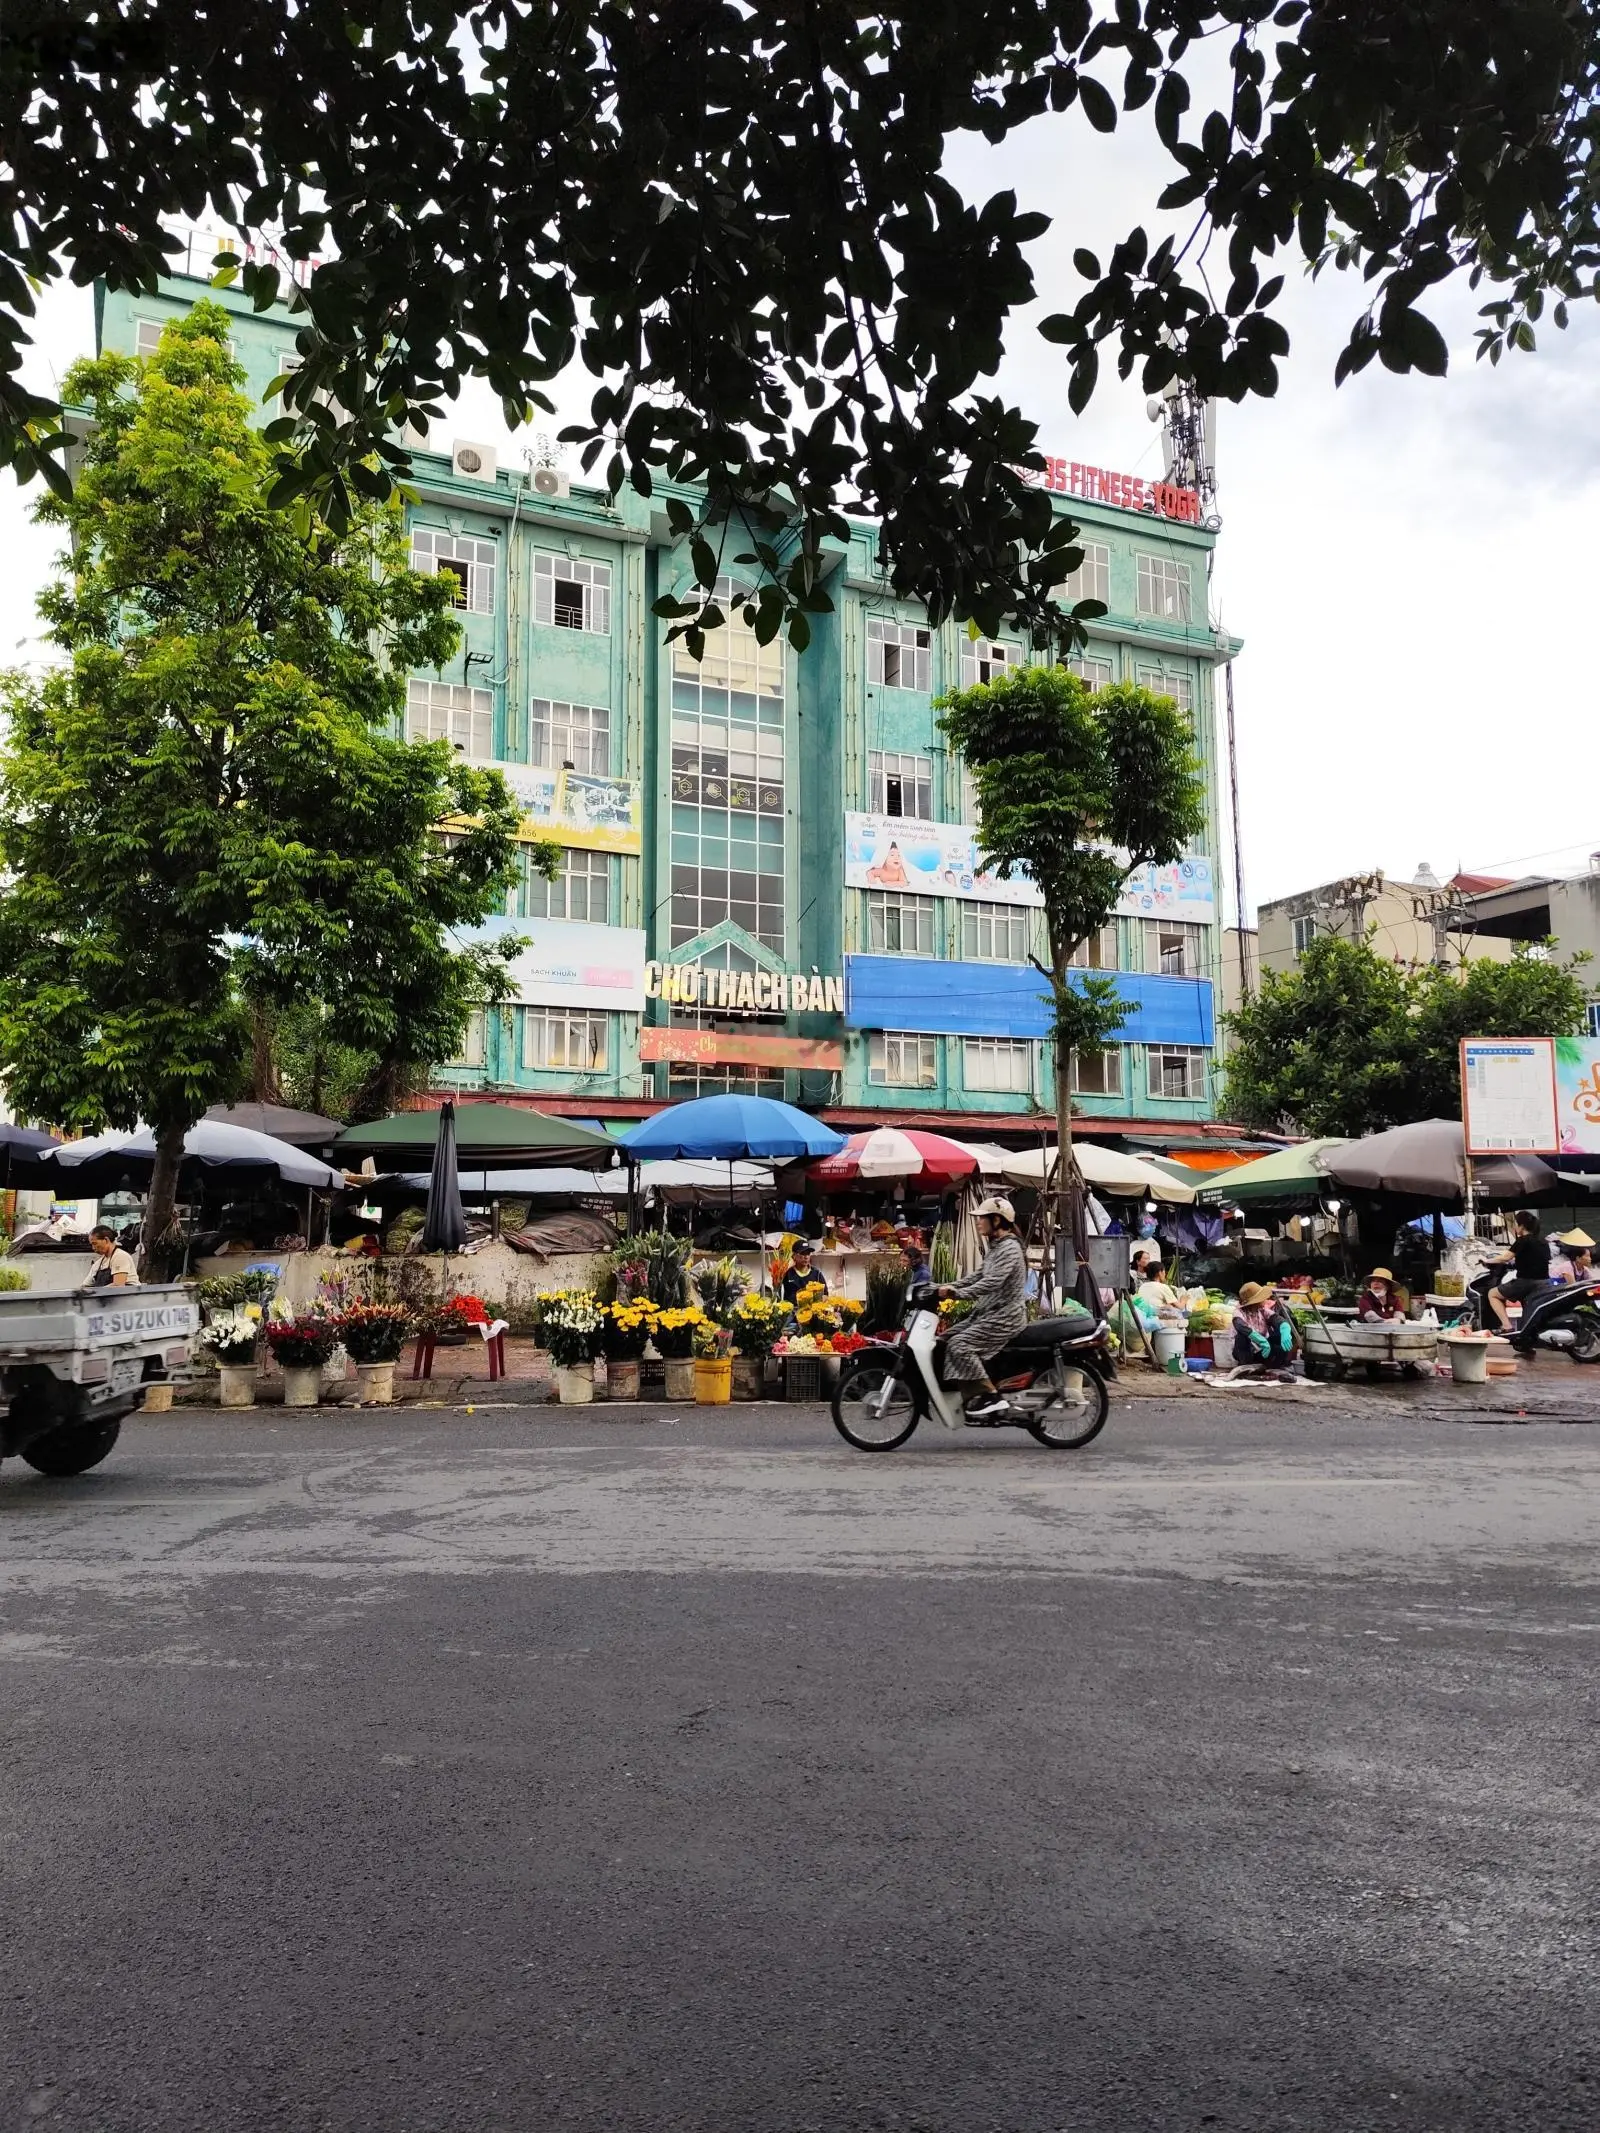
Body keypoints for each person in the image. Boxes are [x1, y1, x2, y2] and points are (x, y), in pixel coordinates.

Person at [935, 1196, 1028, 1418]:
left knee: (960, 1345)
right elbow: (976, 1276)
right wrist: (941, 1287)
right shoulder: (997, 1248)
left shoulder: (1010, 1249)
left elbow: (992, 1282)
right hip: (989, 1313)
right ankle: (971, 1397)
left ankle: (991, 1397)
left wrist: (957, 1294)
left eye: (982, 1219)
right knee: (945, 1339)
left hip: (1006, 1316)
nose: (978, 1223)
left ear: (996, 1220)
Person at [1487, 1210, 1552, 1328]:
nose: (1514, 1227)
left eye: (1515, 1224)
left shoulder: (1523, 1240)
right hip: (1545, 1282)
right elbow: (1534, 1259)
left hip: (1526, 1282)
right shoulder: (1543, 1242)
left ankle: (1507, 1326)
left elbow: (1505, 1258)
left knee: (1493, 1294)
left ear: (1521, 1226)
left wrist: (1486, 1260)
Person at [1230, 1280, 1295, 1377]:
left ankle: (1276, 1365)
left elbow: (1276, 1319)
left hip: (1264, 1351)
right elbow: (1240, 1326)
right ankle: (1246, 1366)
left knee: (1279, 1335)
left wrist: (1284, 1328)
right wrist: (1259, 1340)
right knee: (1241, 1337)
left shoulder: (1262, 1311)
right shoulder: (1239, 1313)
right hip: (1247, 1352)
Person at [87, 1223, 139, 1288]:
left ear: (106, 1240)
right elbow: (85, 1285)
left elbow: (118, 1285)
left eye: (95, 1243)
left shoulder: (120, 1256)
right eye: (91, 1244)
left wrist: (97, 1292)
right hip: (105, 1297)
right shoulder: (98, 1263)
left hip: (126, 1297)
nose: (93, 1248)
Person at [781, 1240, 825, 1306]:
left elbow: (825, 1295)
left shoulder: (817, 1274)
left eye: (808, 1253)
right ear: (794, 1256)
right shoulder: (787, 1274)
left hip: (812, 1312)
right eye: (803, 1253)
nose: (806, 1257)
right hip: (793, 1312)